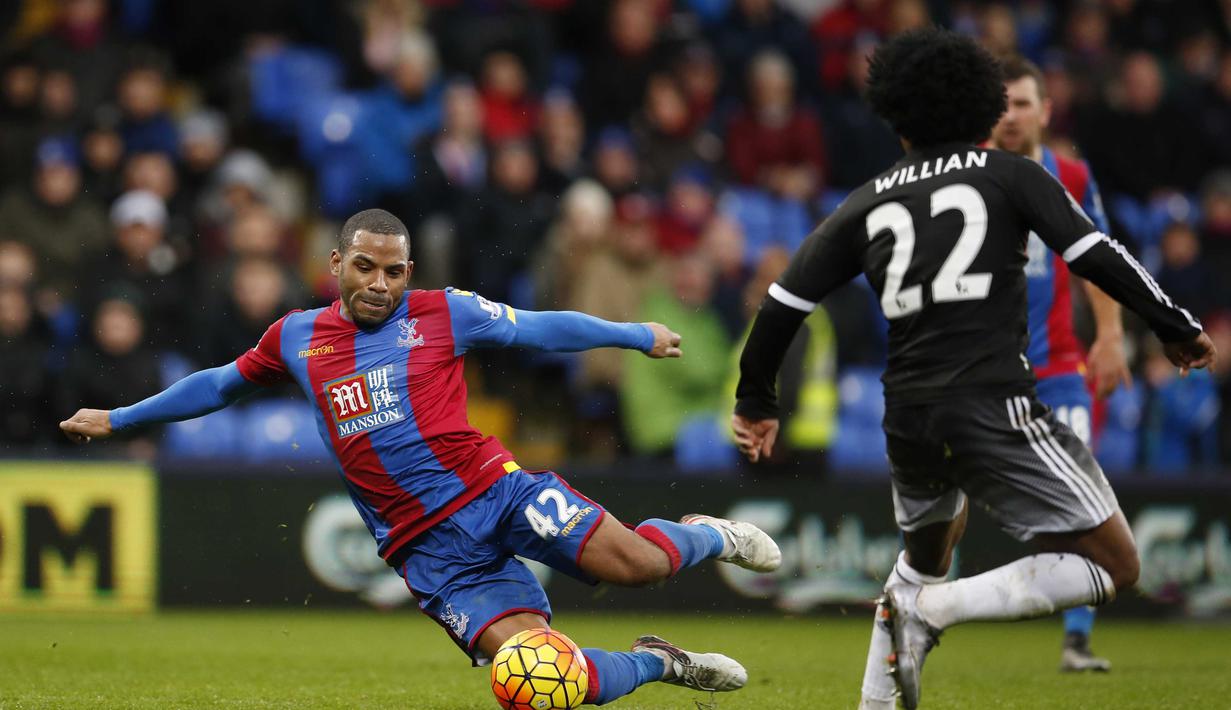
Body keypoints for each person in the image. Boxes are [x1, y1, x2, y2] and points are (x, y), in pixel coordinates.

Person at [61, 208, 781, 705]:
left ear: (410, 270)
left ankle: (710, 533)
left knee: (641, 568)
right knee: (536, 680)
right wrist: (122, 418)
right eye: (366, 268)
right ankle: (658, 663)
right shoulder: (294, 337)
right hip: (427, 550)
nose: (380, 284)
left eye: (395, 271)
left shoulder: (444, 312)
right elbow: (219, 383)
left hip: (497, 491)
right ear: (336, 262)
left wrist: (633, 334)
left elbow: (537, 328)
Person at [729, 30, 1215, 710]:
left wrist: (756, 398)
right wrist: (1175, 325)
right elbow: (1095, 255)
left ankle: (876, 700)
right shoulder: (1010, 174)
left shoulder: (865, 200)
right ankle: (937, 611)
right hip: (992, 399)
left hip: (907, 413)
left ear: (894, 115)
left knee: (921, 558)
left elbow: (782, 303)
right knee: (1114, 564)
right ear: (982, 107)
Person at [994, 56, 1130, 674]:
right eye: (1001, 103)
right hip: (986, 370)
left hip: (1056, 369)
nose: (1011, 114)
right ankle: (914, 605)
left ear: (1046, 110)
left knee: (1082, 497)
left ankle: (1076, 639)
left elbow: (1097, 257)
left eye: (1023, 102)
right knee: (948, 497)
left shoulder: (1070, 173)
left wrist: (1109, 334)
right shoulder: (969, 172)